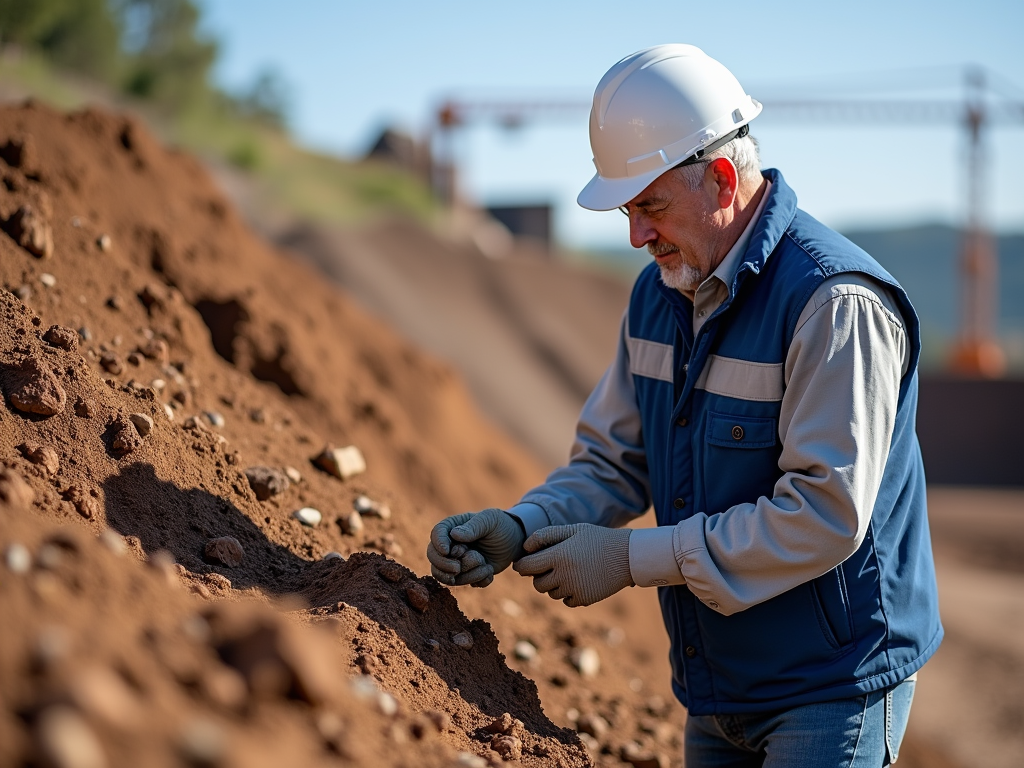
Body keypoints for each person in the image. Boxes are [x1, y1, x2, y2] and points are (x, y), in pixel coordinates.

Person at [427, 44, 942, 768]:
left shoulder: (833, 304)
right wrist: (524, 524)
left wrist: (633, 558)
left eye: (651, 206)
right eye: (629, 212)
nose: (636, 236)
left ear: (724, 179)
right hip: (718, 686)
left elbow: (825, 514)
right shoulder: (657, 295)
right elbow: (613, 462)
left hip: (834, 687)